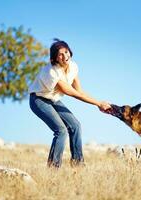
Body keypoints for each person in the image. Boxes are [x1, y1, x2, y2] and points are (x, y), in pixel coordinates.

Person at [29, 38, 111, 168]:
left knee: (75, 125)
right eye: (60, 54)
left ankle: (78, 165)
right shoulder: (51, 72)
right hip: (38, 100)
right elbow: (71, 93)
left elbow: (79, 91)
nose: (64, 56)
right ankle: (53, 169)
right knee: (61, 130)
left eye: (66, 52)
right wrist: (98, 103)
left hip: (53, 99)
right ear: (55, 58)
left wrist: (99, 103)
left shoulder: (73, 66)